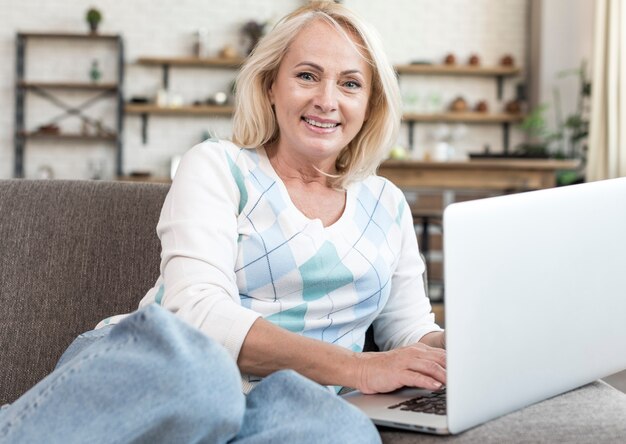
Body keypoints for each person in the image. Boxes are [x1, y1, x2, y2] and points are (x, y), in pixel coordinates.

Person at [0, 2, 445, 442]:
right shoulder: (219, 166)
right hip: (169, 372)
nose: (326, 100)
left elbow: (409, 329)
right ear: (271, 86)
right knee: (206, 383)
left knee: (340, 431)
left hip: (287, 400)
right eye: (307, 75)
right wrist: (356, 368)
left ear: (370, 103)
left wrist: (469, 347)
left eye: (350, 84)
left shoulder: (388, 203)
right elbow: (198, 314)